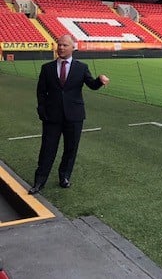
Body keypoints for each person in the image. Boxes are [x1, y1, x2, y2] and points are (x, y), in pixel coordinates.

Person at [28, 34, 110, 194]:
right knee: (47, 149)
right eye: (59, 44)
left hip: (74, 116)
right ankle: (39, 181)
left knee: (70, 148)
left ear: (73, 47)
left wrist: (99, 80)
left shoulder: (82, 67)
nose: (61, 47)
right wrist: (41, 110)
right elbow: (41, 92)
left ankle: (64, 177)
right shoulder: (47, 68)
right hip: (52, 116)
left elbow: (92, 85)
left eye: (65, 45)